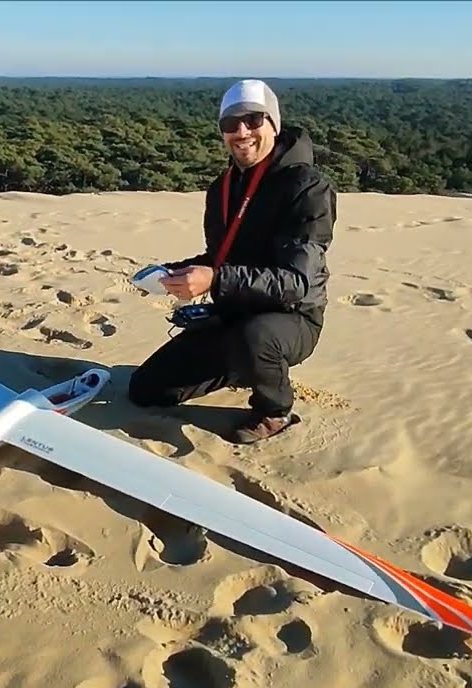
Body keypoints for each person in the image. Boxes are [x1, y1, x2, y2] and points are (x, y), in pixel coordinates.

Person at [127, 79, 335, 444]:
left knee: (257, 338)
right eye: (230, 124)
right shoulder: (223, 187)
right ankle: (242, 365)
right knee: (146, 390)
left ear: (274, 124)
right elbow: (219, 256)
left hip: (290, 320)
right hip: (233, 314)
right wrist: (178, 272)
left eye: (254, 120)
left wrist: (215, 280)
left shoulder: (307, 187)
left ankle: (274, 409)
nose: (241, 132)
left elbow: (297, 281)